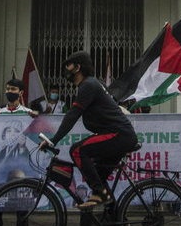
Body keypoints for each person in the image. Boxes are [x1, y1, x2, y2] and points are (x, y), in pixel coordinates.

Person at [39, 51, 137, 211]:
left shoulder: (88, 85)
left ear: (78, 67)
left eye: (68, 66)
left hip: (119, 134)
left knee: (77, 150)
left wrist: (53, 140)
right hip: (121, 135)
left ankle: (99, 193)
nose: (66, 69)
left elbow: (72, 114)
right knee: (99, 177)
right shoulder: (93, 83)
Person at [0, 78, 38, 226]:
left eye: (13, 89)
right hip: (1, 169)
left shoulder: (27, 113)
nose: (9, 92)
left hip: (19, 169)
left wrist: (38, 117)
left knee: (22, 199)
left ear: (21, 93)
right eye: (8, 89)